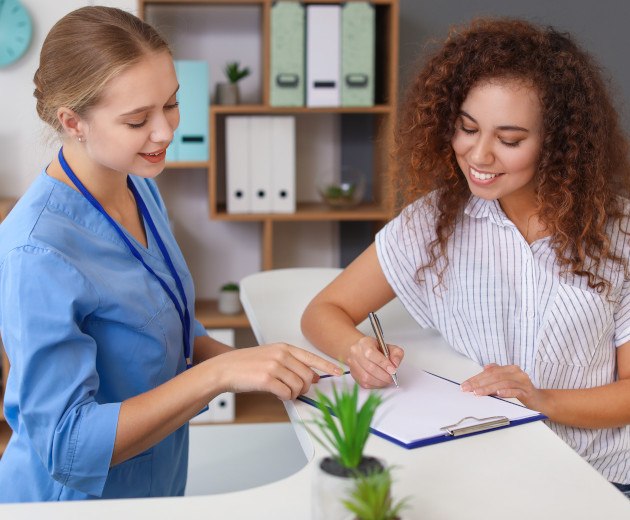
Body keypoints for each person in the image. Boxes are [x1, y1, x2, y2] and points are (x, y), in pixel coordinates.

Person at [0, 6, 342, 502]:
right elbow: (67, 446)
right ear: (73, 121)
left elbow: (167, 328)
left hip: (155, 483)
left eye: (172, 104)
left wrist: (264, 367)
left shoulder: (138, 187)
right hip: (71, 506)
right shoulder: (37, 250)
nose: (164, 132)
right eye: (138, 119)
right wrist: (220, 375)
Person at [301, 18, 630, 493]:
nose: (479, 155)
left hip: (600, 478)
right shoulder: (435, 221)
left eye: (510, 140)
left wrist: (542, 400)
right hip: (480, 471)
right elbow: (322, 312)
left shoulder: (617, 231)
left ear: (558, 143)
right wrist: (356, 351)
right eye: (467, 128)